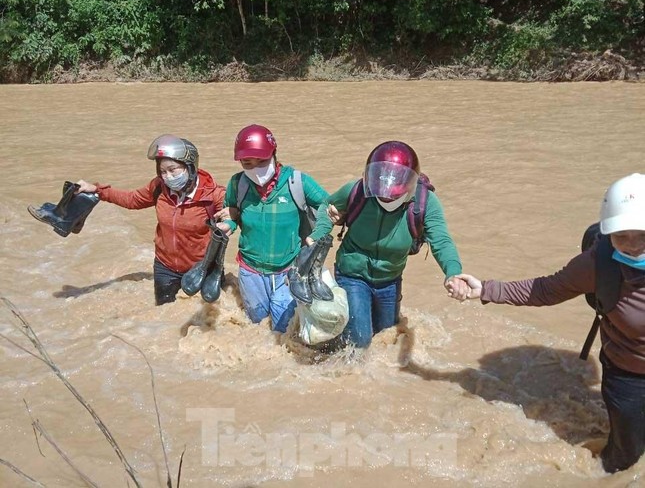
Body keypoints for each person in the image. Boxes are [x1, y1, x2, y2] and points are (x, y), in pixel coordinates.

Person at [457, 173, 645, 474]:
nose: (633, 246)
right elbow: (545, 290)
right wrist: (487, 290)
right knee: (627, 458)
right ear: (609, 234)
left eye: (642, 235)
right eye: (622, 236)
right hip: (628, 376)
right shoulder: (600, 263)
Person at [301, 140, 469, 350]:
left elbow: (441, 241)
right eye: (380, 193)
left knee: (387, 337)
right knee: (360, 340)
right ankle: (345, 367)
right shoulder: (358, 191)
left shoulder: (425, 203)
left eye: (392, 195)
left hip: (389, 279)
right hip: (353, 274)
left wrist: (453, 273)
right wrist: (318, 234)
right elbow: (328, 205)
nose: (385, 198)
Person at [75, 134, 227, 306]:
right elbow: (131, 199)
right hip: (166, 268)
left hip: (203, 269)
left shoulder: (214, 195)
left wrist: (230, 219)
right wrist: (97, 190)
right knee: (164, 317)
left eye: (173, 169)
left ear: (190, 167)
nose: (168, 176)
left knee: (208, 318)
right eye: (162, 171)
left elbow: (238, 215)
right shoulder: (158, 188)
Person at [214, 124, 329, 333]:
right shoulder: (237, 184)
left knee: (283, 329)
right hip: (250, 271)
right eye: (247, 163)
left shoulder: (296, 181)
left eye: (262, 161)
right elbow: (231, 213)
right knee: (257, 326)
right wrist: (227, 225)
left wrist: (319, 232)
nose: (255, 168)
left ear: (274, 154)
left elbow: (327, 205)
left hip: (287, 270)